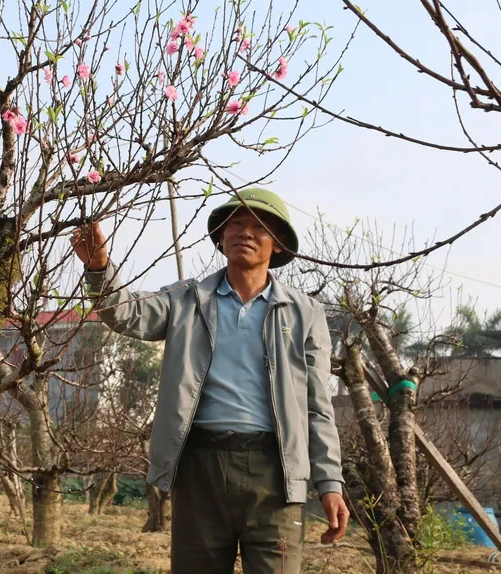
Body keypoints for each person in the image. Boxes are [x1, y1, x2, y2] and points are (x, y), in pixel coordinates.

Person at [71, 187, 348, 574]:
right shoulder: (186, 300)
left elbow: (319, 406)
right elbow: (125, 313)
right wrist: (99, 268)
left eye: (258, 226)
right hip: (200, 466)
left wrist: (329, 482)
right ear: (221, 237)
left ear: (279, 243)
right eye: (235, 224)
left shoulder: (305, 314)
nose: (244, 233)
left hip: (277, 473)